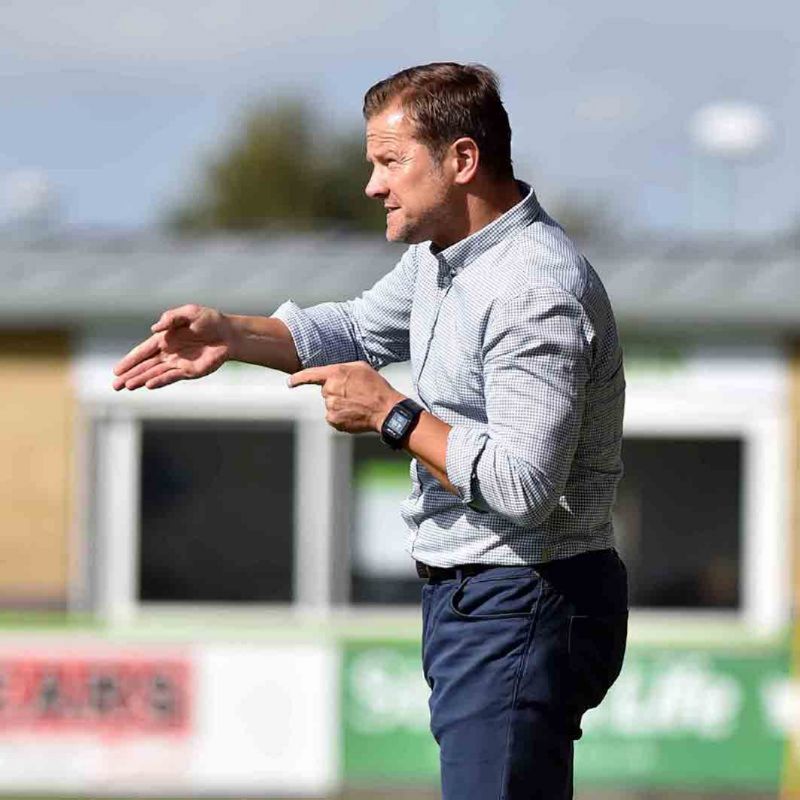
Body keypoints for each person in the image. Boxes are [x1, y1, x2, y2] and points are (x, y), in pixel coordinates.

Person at [113, 62, 629, 799]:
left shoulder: (532, 286)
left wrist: (393, 414)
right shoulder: (442, 258)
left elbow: (525, 485)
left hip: (525, 596)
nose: (372, 185)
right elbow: (353, 327)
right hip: (482, 599)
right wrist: (232, 333)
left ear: (461, 161)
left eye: (389, 162)